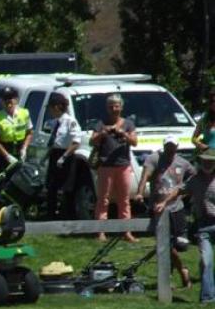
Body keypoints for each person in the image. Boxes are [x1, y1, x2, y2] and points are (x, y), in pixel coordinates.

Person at [136, 135, 195, 288]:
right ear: (164, 147)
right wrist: (140, 192)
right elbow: (145, 177)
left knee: (180, 244)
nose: (170, 149)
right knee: (165, 244)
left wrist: (187, 191)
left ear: (177, 147)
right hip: (158, 208)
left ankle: (176, 270)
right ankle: (179, 272)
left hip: (177, 208)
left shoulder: (183, 163)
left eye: (172, 147)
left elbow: (194, 178)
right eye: (167, 146)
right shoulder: (154, 159)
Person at [90, 93, 138, 242]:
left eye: (116, 105)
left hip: (123, 165)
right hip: (105, 166)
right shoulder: (101, 123)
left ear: (121, 107)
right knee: (103, 199)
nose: (114, 108)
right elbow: (92, 141)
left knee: (124, 199)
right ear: (107, 108)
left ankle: (126, 231)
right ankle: (101, 231)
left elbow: (135, 141)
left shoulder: (128, 124)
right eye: (111, 106)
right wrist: (103, 133)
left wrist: (122, 133)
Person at [0, 87, 33, 210]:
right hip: (5, 150)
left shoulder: (24, 113)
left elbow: (30, 132)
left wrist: (24, 148)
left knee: (22, 181)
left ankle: (21, 208)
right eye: (5, 100)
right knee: (4, 182)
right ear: (2, 102)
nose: (9, 103)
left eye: (11, 99)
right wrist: (6, 156)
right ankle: (3, 209)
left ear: (16, 100)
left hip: (20, 149)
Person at [43, 93, 83, 220]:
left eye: (51, 107)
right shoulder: (56, 122)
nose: (49, 110)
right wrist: (45, 157)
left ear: (57, 107)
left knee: (67, 187)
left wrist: (64, 157)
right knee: (51, 186)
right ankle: (51, 215)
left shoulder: (70, 121)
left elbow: (76, 142)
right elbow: (54, 142)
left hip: (66, 155)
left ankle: (68, 215)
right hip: (55, 154)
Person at [186, 151, 215, 304]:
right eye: (205, 161)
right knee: (206, 261)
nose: (208, 164)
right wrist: (164, 202)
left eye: (211, 162)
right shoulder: (194, 180)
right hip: (203, 225)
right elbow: (180, 190)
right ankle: (208, 297)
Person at [192, 87, 215, 154]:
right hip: (208, 156)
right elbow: (194, 139)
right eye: (212, 101)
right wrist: (200, 145)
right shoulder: (205, 118)